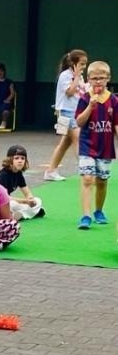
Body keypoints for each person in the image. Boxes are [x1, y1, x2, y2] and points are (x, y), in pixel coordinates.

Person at [75, 59, 118, 230]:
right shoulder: (85, 99)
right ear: (89, 79)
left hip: (106, 147)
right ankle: (85, 215)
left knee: (102, 180)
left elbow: (115, 124)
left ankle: (98, 210)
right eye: (94, 78)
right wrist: (90, 107)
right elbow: (79, 121)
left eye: (101, 78)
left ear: (108, 78)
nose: (98, 81)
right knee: (87, 179)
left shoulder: (113, 100)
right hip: (87, 145)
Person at [44, 49, 87, 181]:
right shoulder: (65, 75)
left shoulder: (79, 77)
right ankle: (87, 170)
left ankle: (51, 171)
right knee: (78, 139)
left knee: (65, 143)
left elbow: (82, 92)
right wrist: (76, 77)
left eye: (85, 64)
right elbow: (69, 92)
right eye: (82, 64)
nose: (84, 67)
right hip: (66, 112)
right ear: (73, 64)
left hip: (76, 112)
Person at [0, 145, 44, 220]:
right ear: (10, 160)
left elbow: (26, 192)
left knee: (38, 200)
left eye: (23, 158)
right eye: (16, 158)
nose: (20, 161)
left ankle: (22, 214)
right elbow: (5, 198)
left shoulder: (18, 173)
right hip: (0, 203)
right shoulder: (3, 175)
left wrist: (31, 199)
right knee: (12, 204)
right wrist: (25, 201)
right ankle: (29, 213)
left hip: (10, 203)